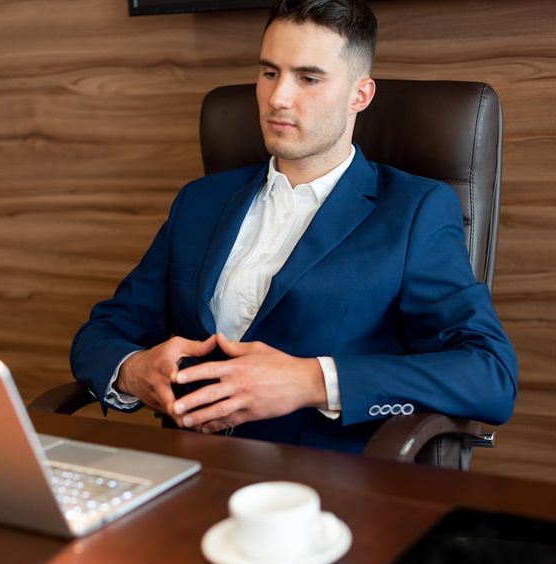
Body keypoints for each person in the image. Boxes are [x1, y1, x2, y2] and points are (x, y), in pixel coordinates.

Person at [70, 0, 517, 455]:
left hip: (323, 488)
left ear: (359, 96)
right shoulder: (199, 201)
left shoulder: (413, 211)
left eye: (308, 78)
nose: (278, 97)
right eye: (269, 73)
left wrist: (311, 381)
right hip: (187, 472)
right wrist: (132, 369)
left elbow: (489, 374)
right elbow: (102, 332)